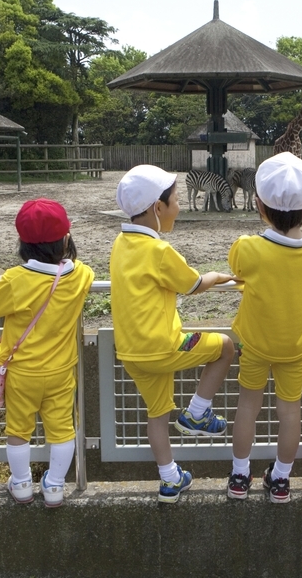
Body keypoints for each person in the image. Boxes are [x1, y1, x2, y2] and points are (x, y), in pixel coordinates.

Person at [109, 165, 236, 504]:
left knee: (158, 414)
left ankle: (170, 480)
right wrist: (219, 276)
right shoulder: (159, 251)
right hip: (165, 346)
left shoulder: (120, 244)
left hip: (131, 352)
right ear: (158, 207)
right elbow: (194, 284)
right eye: (176, 200)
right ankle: (197, 413)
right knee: (225, 347)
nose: (178, 207)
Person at [227, 152, 302, 503]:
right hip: (297, 347)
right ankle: (281, 480)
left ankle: (239, 475)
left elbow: (237, 267)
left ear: (259, 205)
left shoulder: (249, 248)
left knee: (248, 406)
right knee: (290, 411)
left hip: (256, 343)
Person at [0, 199, 95, 507]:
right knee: (62, 431)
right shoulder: (80, 276)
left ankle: (20, 485)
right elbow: (85, 272)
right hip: (61, 372)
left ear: (23, 243)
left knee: (18, 430)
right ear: (66, 239)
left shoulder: (16, 279)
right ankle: (55, 486)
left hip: (22, 372)